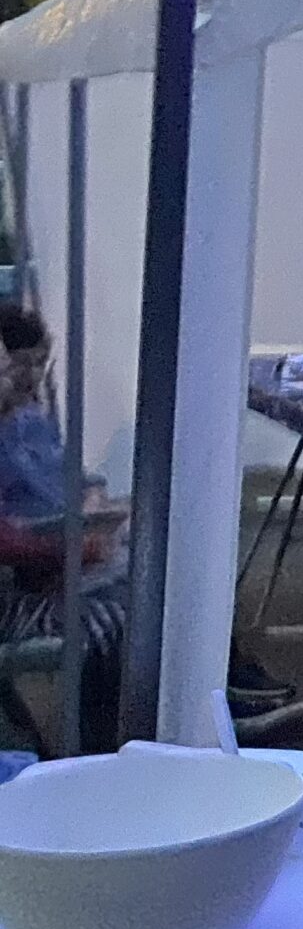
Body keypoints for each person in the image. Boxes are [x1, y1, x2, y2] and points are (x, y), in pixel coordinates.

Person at [0, 305, 127, 725]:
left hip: (59, 550)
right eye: (14, 366)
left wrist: (93, 509)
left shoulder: (30, 419)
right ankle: (108, 732)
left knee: (172, 567)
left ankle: (222, 686)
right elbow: (9, 542)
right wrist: (78, 547)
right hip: (24, 589)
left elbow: (78, 474)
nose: (26, 377)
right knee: (131, 603)